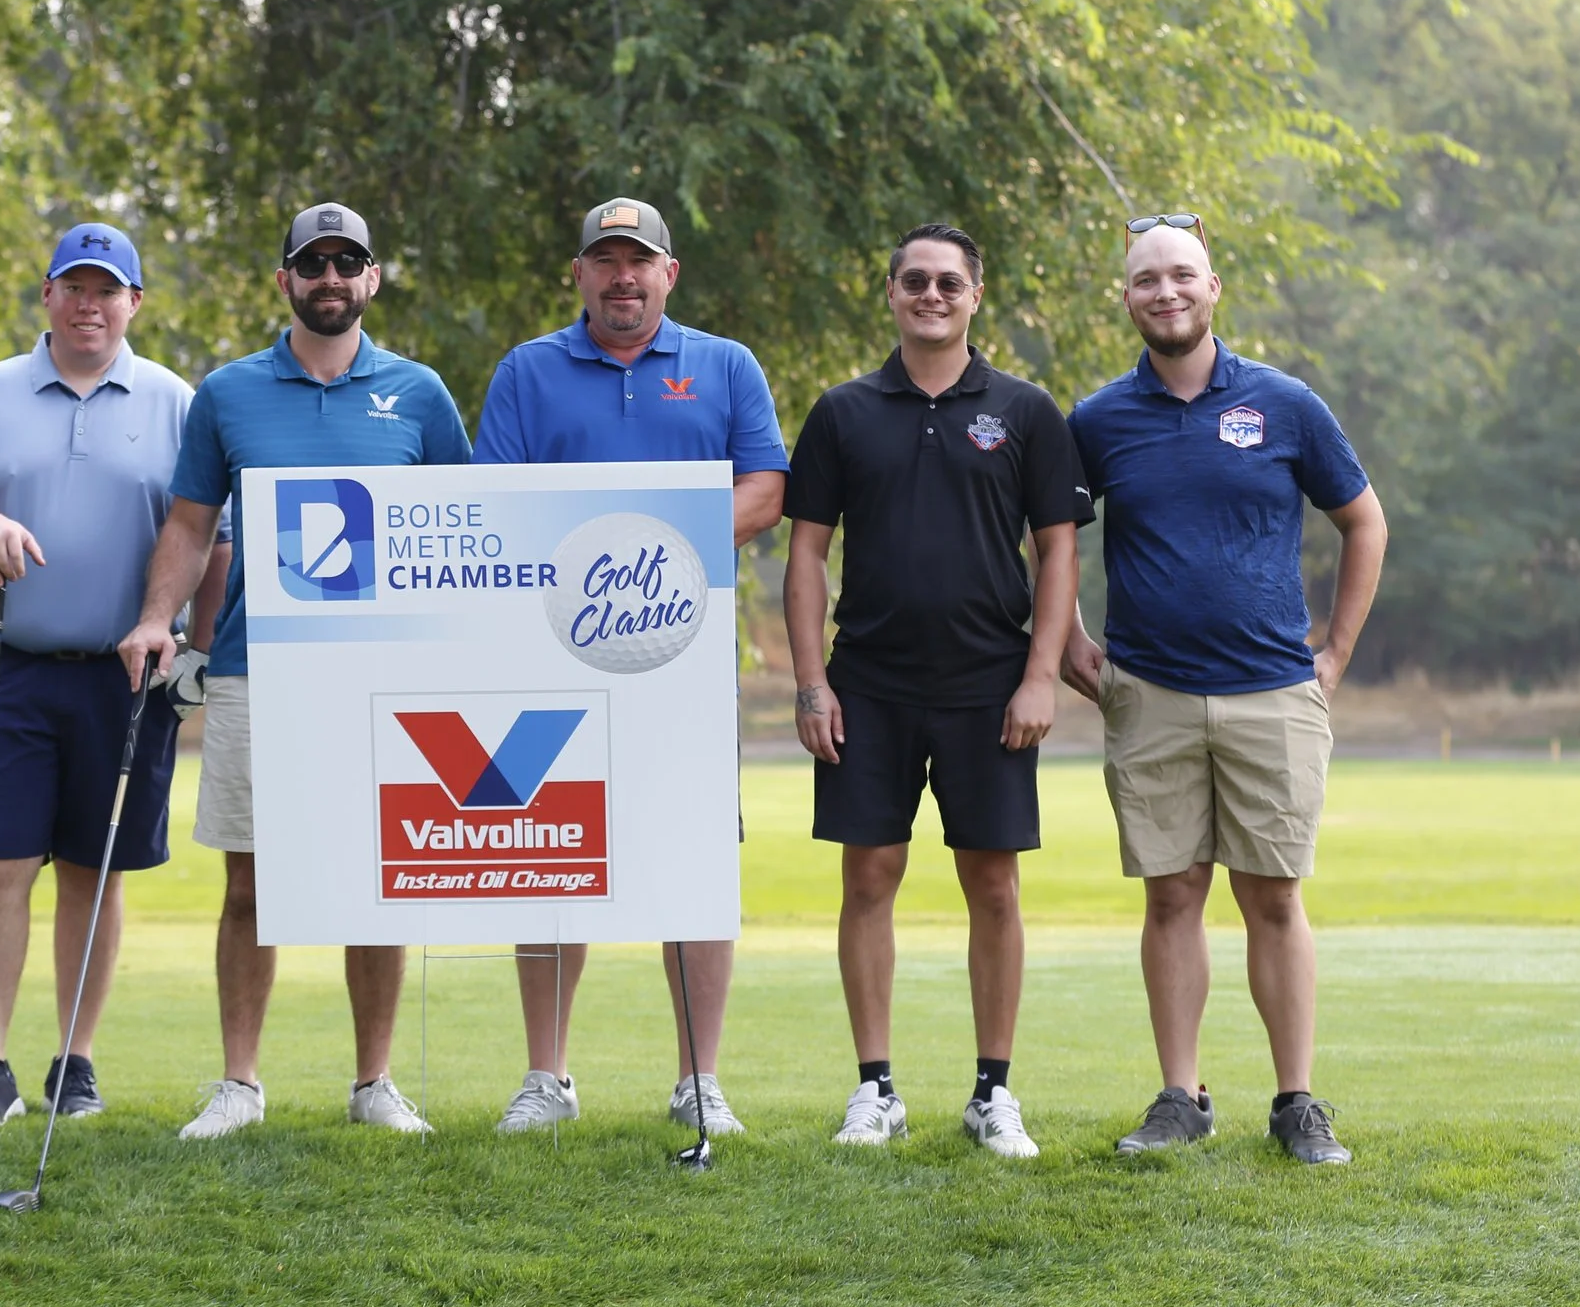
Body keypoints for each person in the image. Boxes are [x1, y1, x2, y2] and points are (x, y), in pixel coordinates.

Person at [128, 202, 472, 1140]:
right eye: (311, 264)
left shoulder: (420, 393)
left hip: (386, 673)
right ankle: (240, 1083)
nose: (329, 278)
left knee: (377, 879)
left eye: (346, 263)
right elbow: (193, 523)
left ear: (371, 279)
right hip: (256, 669)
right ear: (284, 279)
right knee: (253, 881)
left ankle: (374, 1082)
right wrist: (159, 619)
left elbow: (460, 533)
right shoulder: (230, 391)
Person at [1062, 213, 1388, 1166]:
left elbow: (1363, 523)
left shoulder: (1285, 404)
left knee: (1274, 898)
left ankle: (1296, 1103)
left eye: (1182, 276)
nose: (1165, 291)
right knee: (1172, 897)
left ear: (1214, 287)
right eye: (1145, 280)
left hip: (1274, 693)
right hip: (1149, 694)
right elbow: (1045, 538)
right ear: (1126, 298)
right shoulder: (1097, 420)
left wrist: (1335, 653)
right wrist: (1073, 647)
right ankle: (1181, 1096)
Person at [472, 196, 788, 1138]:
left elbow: (765, 488)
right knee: (548, 858)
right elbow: (495, 503)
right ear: (579, 273)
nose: (622, 276)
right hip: (550, 660)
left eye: (639, 260)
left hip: (684, 661)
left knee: (692, 861)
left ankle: (699, 1077)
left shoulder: (724, 366)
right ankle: (546, 1075)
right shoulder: (529, 371)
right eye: (605, 259)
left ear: (668, 274)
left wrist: (647, 546)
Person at [0, 221, 229, 1137]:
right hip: (11, 665)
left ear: (134, 302)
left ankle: (75, 1061)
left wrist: (196, 657)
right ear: (47, 294)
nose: (90, 304)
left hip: (131, 675)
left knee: (97, 870)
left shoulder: (178, 401)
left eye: (109, 289)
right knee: (0, 863)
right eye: (73, 286)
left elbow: (213, 538)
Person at [783, 224, 1091, 1157]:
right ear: (890, 292)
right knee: (868, 876)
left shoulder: (1027, 410)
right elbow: (804, 554)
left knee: (991, 883)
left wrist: (1042, 676)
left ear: (975, 294)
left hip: (989, 686)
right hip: (867, 684)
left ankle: (992, 1092)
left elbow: (1060, 552)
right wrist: (809, 684)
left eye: (947, 282)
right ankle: (875, 1088)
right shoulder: (842, 411)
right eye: (914, 280)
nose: (931, 294)